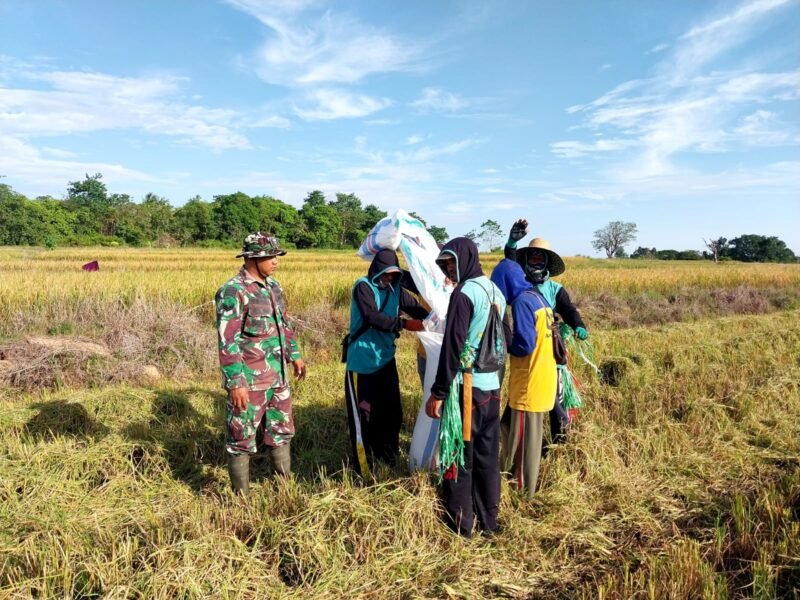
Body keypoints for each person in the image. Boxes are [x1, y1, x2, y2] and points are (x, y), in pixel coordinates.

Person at [425, 238, 509, 537]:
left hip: (466, 387)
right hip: (493, 386)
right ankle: (489, 521)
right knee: (487, 455)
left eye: (451, 262)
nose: (449, 268)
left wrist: (438, 392)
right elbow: (505, 339)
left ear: (466, 259)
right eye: (445, 264)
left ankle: (461, 524)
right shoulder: (495, 291)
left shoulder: (463, 294)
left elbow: (452, 346)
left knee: (457, 453)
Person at [215, 232, 305, 495]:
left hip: (278, 378)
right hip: (250, 382)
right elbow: (227, 342)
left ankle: (284, 489)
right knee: (241, 438)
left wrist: (294, 355)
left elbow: (284, 325)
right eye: (271, 256)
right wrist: (235, 383)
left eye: (277, 256)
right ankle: (240, 498)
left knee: (281, 431)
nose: (276, 261)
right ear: (254, 258)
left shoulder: (274, 287)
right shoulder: (233, 291)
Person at [344, 249, 429, 476]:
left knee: (391, 412)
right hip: (362, 363)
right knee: (363, 417)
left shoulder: (397, 290)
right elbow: (372, 316)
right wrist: (404, 324)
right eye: (385, 273)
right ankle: (363, 468)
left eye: (393, 274)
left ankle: (387, 456)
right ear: (376, 270)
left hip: (386, 360)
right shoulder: (363, 287)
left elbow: (417, 310)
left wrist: (435, 319)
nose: (388, 278)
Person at [505, 220, 588, 447]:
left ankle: (558, 443)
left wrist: (578, 324)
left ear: (546, 262)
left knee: (555, 399)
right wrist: (512, 241)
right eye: (532, 258)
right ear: (526, 260)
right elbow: (508, 264)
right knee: (523, 396)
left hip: (550, 352)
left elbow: (569, 310)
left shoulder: (555, 290)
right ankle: (521, 441)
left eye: (540, 258)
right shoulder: (521, 284)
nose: (536, 261)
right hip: (526, 348)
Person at [490, 258, 557, 497]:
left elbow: (525, 345)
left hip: (530, 384)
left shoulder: (521, 302)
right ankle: (508, 479)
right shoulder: (538, 297)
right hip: (542, 378)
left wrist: (505, 339)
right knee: (508, 429)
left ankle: (522, 495)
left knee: (524, 444)